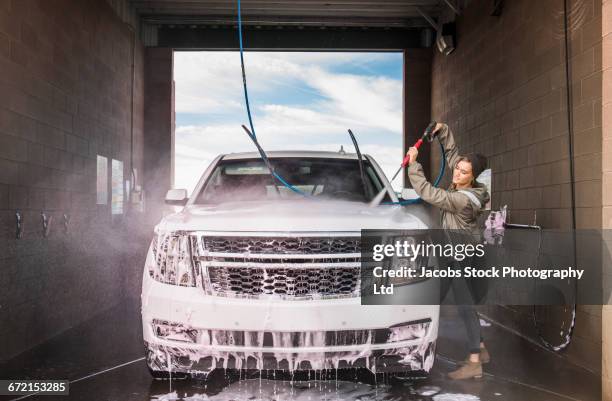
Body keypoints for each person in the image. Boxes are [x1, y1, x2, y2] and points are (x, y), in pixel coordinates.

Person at [405, 122, 491, 380]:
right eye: (458, 169)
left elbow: (429, 192)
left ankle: (475, 361)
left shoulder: (464, 200)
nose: (456, 174)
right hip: (454, 255)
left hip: (466, 258)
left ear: (472, 177)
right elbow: (453, 156)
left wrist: (413, 163)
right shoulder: (464, 182)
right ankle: (482, 349)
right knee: (439, 296)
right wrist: (442, 130)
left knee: (465, 307)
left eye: (463, 173)